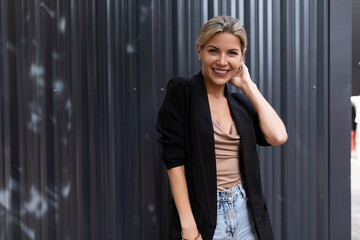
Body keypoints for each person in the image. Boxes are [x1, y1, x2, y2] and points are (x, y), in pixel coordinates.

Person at [156, 15, 287, 240]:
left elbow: (278, 136)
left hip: (247, 213)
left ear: (242, 56)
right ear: (200, 51)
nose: (222, 61)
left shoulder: (241, 104)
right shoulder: (183, 92)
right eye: (213, 51)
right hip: (204, 217)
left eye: (232, 53)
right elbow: (174, 161)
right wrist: (187, 225)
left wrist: (248, 86)